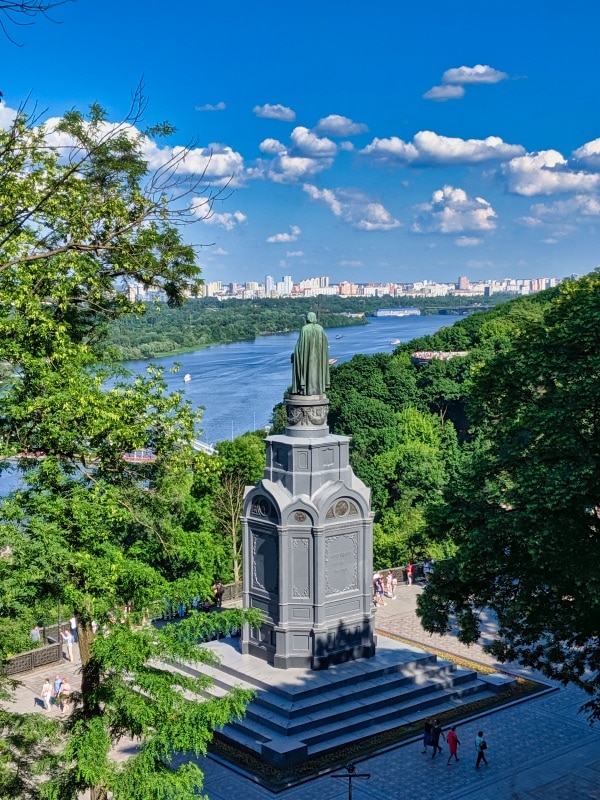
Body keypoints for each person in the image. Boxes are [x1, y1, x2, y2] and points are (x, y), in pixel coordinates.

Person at [291, 312, 330, 396]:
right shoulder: (320, 329)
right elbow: (325, 344)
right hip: (318, 358)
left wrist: (294, 355)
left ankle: (306, 390)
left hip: (307, 357)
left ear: (308, 318)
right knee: (317, 372)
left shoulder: (304, 329)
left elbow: (300, 346)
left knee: (307, 370)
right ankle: (318, 389)